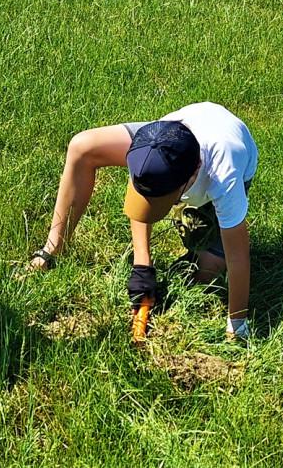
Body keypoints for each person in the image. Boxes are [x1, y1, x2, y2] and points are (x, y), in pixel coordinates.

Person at [26, 102, 258, 341]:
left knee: (204, 275)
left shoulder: (224, 177)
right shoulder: (151, 147)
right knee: (82, 147)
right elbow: (139, 178)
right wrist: (142, 266)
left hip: (227, 152)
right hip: (178, 135)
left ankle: (201, 235)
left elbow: (238, 256)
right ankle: (54, 248)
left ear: (191, 176)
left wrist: (236, 322)